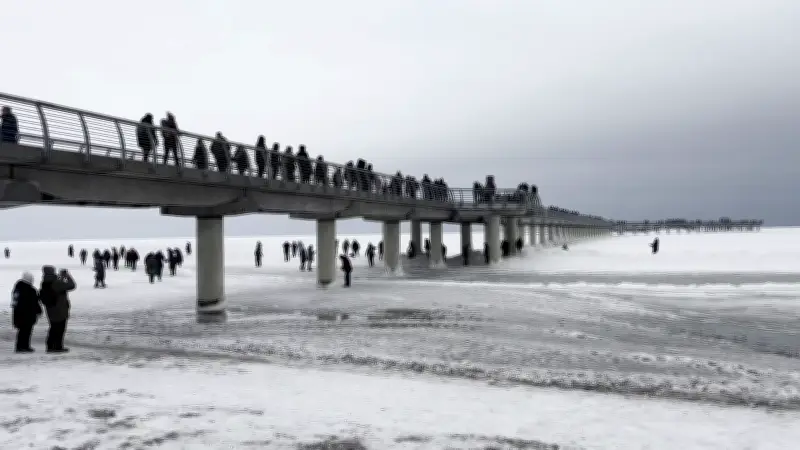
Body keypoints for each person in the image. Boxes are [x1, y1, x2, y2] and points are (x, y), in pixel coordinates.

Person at [39, 266, 76, 353]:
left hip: (50, 309)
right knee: (59, 329)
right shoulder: (56, 283)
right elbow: (72, 285)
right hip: (59, 309)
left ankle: (50, 346)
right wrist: (66, 276)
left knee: (53, 327)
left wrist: (61, 278)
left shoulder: (45, 282)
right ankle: (57, 347)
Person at [11, 272, 41, 353]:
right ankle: (24, 346)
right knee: (26, 331)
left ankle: (21, 346)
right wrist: (38, 311)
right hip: (27, 314)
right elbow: (34, 302)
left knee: (22, 331)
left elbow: (16, 302)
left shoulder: (18, 288)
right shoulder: (29, 290)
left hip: (19, 314)